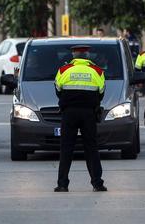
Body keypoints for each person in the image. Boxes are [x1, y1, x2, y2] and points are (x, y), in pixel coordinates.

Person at [54, 45, 106, 193]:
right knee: (91, 149)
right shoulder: (97, 71)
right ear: (87, 55)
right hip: (89, 114)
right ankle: (97, 184)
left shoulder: (63, 70)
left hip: (69, 113)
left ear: (73, 55)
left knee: (66, 149)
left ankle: (62, 184)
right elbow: (101, 92)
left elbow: (58, 90)